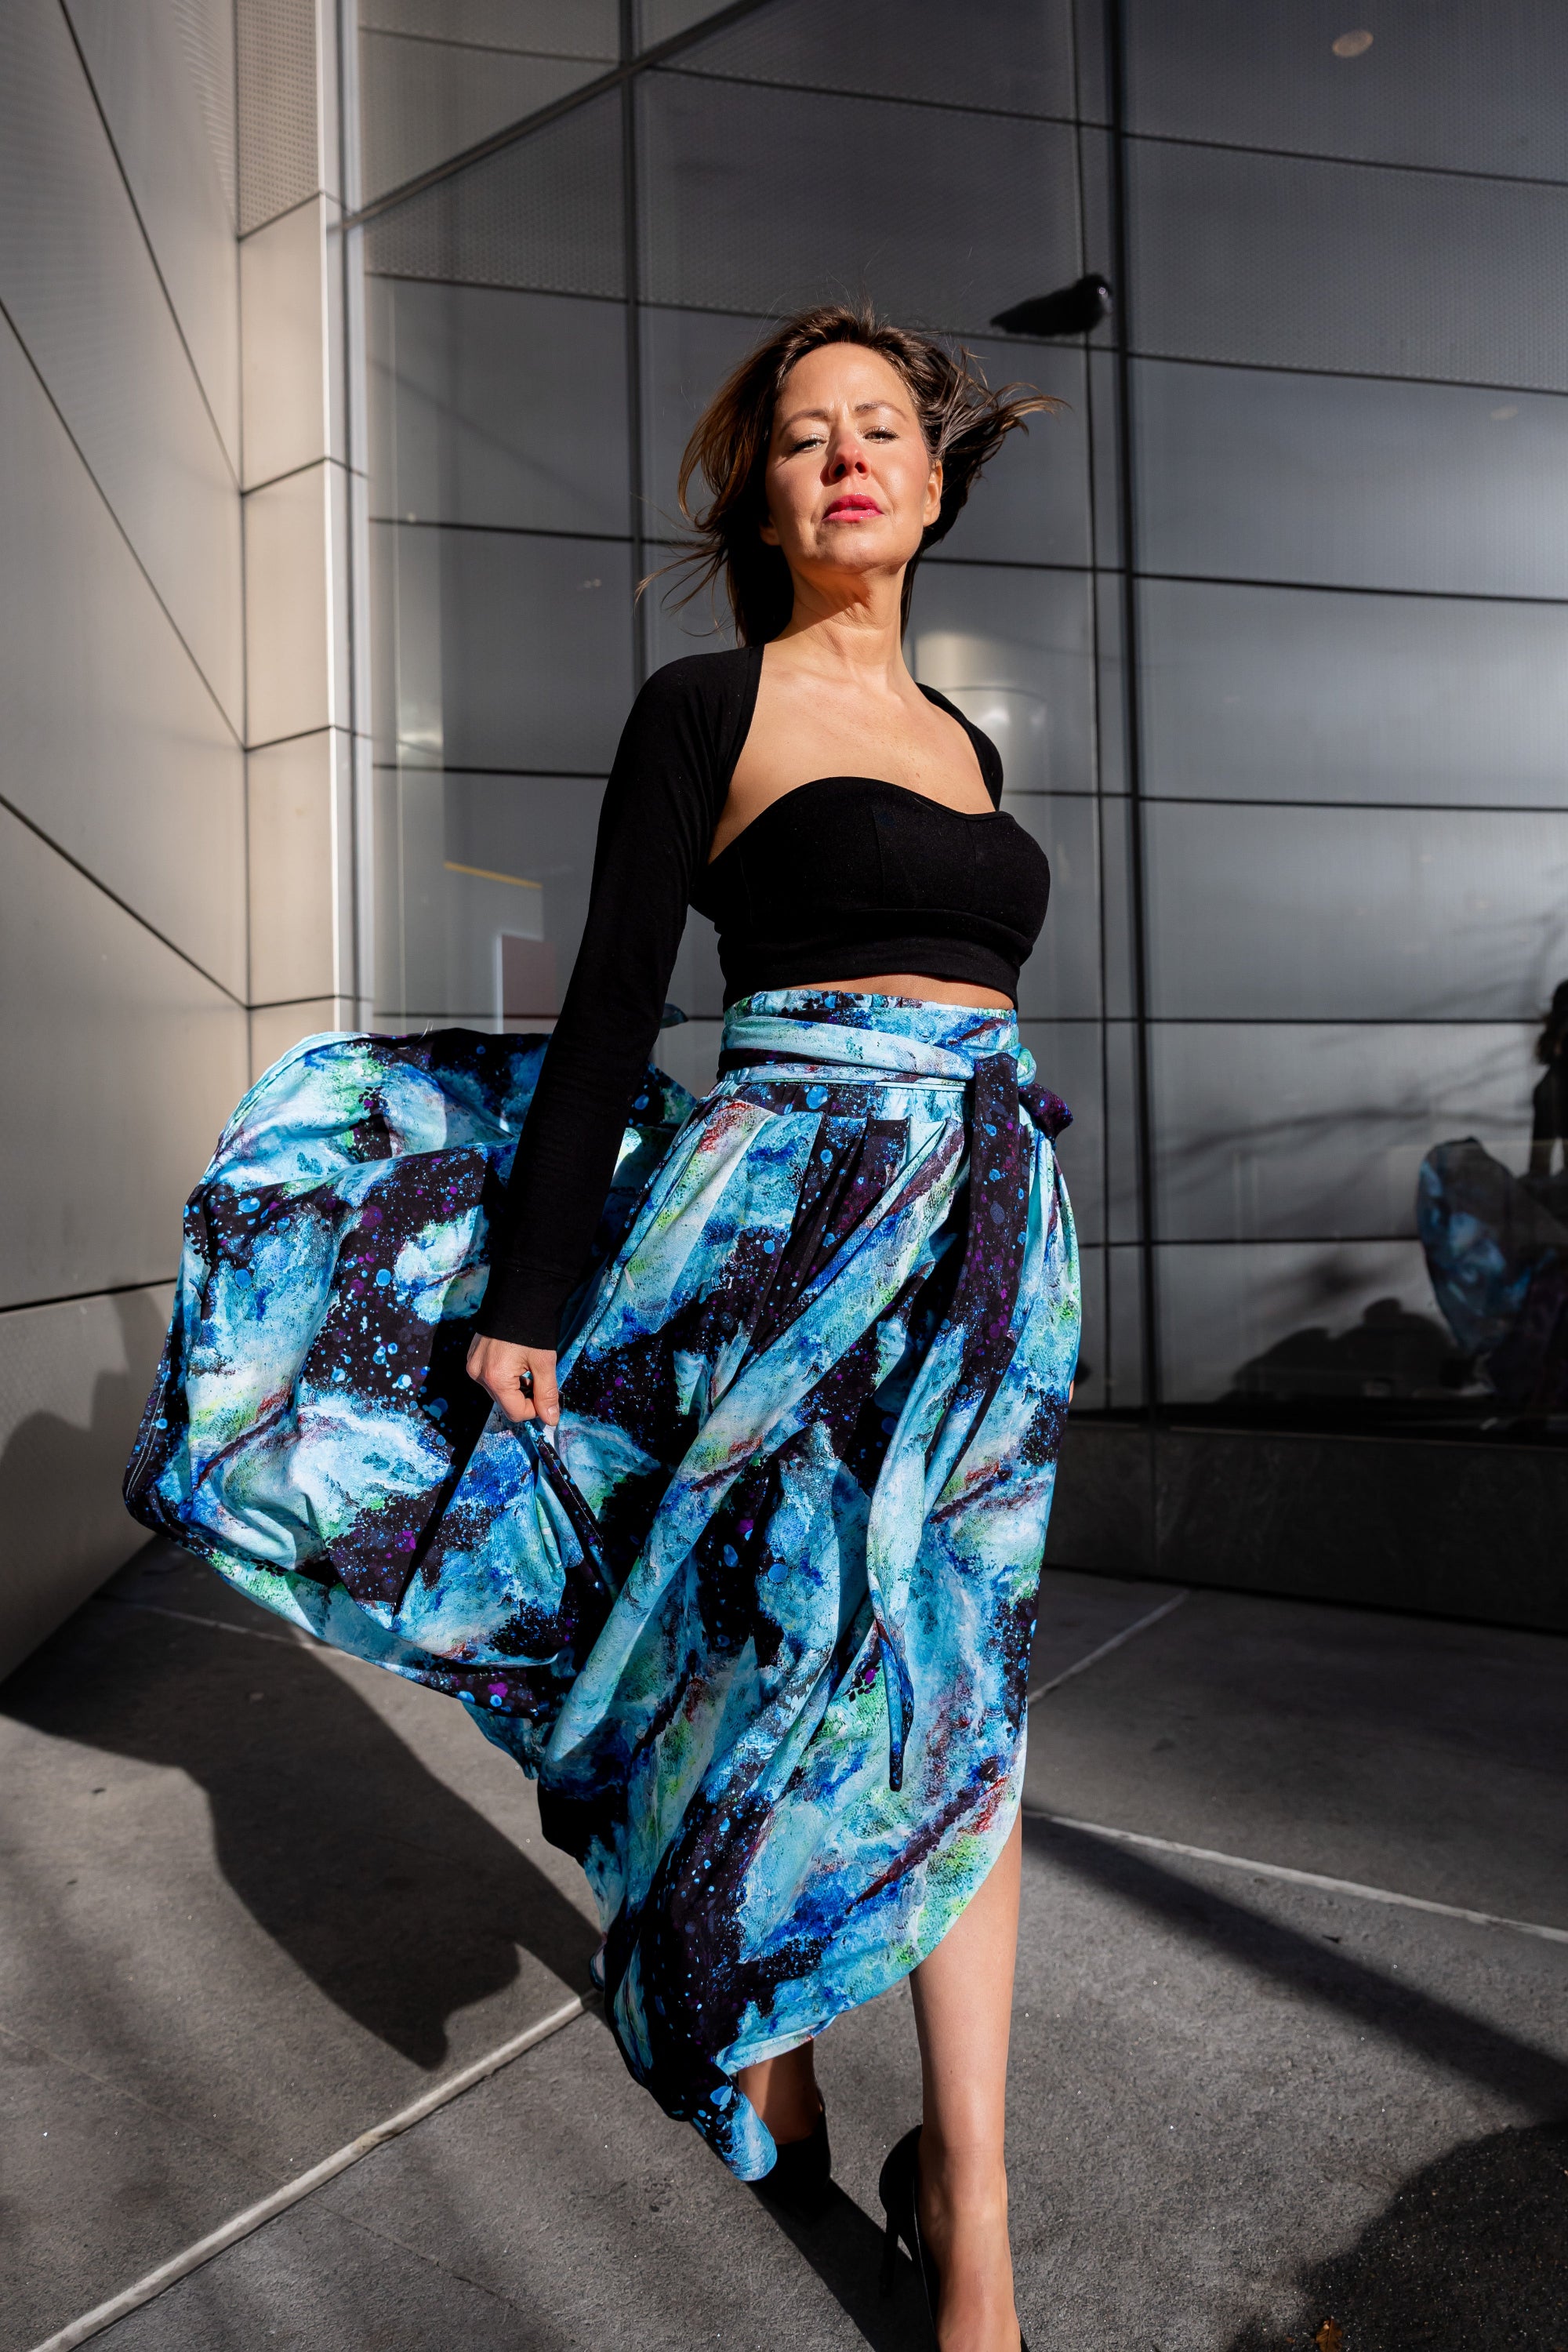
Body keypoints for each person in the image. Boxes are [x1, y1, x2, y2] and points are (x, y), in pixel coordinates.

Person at [126, 304, 1077, 2352]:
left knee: (955, 1682)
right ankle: (758, 1997)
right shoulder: (700, 706)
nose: (848, 455)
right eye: (808, 433)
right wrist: (529, 1301)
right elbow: (608, 1009)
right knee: (763, 1657)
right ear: (767, 489)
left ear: (933, 473)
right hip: (781, 1231)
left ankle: (974, 2202)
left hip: (986, 1244)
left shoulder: (970, 743)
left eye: (882, 427)